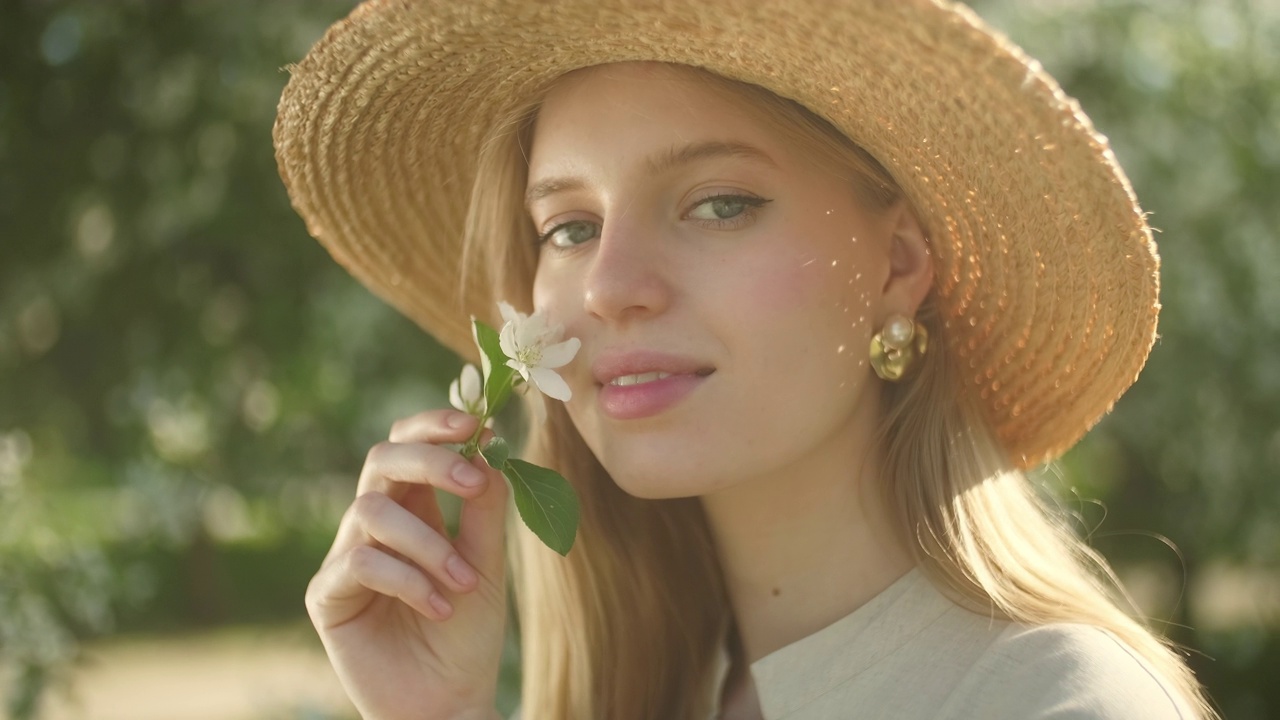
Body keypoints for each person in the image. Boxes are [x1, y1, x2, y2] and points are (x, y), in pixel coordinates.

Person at [273, 1, 1217, 718]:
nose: (610, 287)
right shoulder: (675, 692)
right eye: (569, 226)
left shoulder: (1052, 703)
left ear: (897, 266)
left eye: (719, 203)